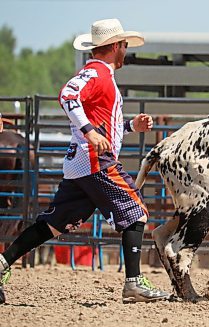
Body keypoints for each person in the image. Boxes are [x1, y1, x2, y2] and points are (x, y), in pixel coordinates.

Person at [0, 18, 169, 304]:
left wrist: (129, 126)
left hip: (82, 162)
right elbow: (67, 95)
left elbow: (100, 121)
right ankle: (134, 283)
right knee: (136, 210)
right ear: (115, 46)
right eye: (125, 45)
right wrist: (89, 132)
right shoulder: (97, 73)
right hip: (95, 161)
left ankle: (2, 263)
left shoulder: (101, 75)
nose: (126, 49)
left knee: (54, 223)